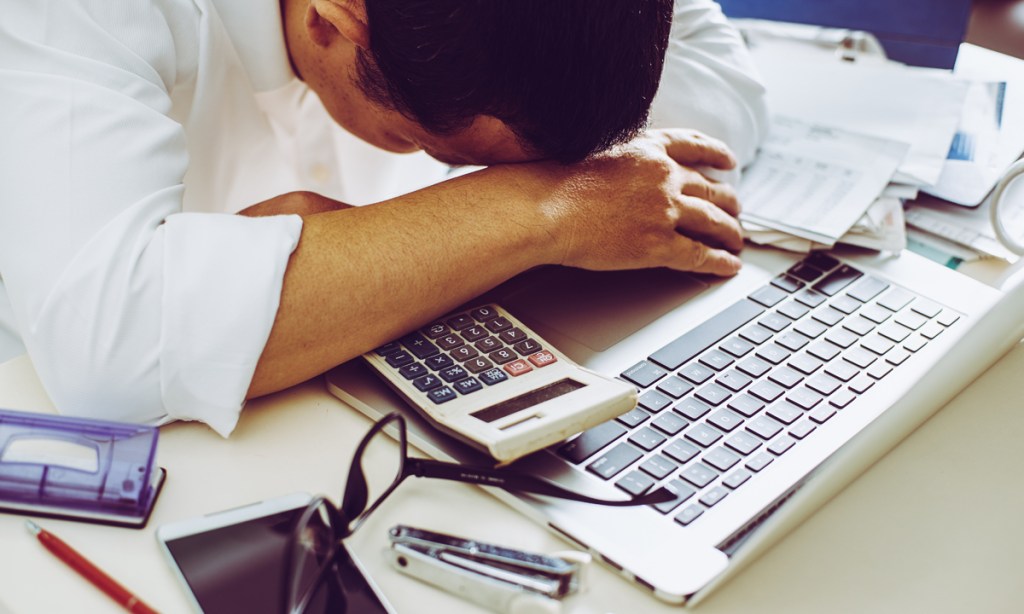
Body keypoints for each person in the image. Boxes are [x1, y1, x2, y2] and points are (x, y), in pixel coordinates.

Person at [0, 0, 767, 435]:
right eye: (430, 149)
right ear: (334, 21)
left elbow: (726, 88)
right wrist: (542, 205)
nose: (478, 178)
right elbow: (112, 347)